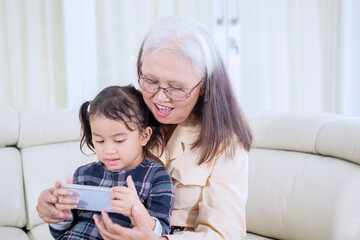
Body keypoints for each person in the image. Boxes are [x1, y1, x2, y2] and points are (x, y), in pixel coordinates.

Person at [37, 16, 252, 240]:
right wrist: (56, 208)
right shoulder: (129, 118)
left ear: (205, 85)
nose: (160, 97)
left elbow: (223, 234)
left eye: (176, 87)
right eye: (150, 81)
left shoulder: (226, 141)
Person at [48, 85, 174, 239]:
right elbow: (59, 232)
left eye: (119, 140)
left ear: (144, 135)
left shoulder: (157, 176)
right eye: (99, 141)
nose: (108, 150)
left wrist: (136, 209)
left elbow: (161, 233)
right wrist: (61, 212)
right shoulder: (84, 174)